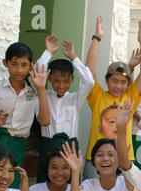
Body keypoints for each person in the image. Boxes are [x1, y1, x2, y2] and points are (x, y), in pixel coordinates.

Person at [0, 42, 50, 188]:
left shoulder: (33, 95)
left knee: (11, 186)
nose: (19, 70)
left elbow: (45, 121)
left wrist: (41, 89)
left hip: (17, 144)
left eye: (24, 65)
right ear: (5, 63)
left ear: (31, 65)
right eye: (14, 64)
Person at [84, 14, 141, 179]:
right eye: (114, 81)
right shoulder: (97, 96)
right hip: (96, 157)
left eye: (122, 82)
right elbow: (89, 69)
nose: (118, 86)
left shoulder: (130, 98)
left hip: (124, 158)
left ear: (128, 83)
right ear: (106, 80)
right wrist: (97, 38)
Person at [34, 36, 95, 183]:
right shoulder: (43, 94)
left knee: (70, 183)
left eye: (66, 81)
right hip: (48, 144)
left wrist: (73, 57)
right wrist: (48, 52)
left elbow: (89, 81)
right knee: (45, 182)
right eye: (56, 81)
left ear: (72, 80)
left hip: (70, 147)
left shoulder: (75, 99)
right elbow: (35, 73)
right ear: (49, 79)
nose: (61, 86)